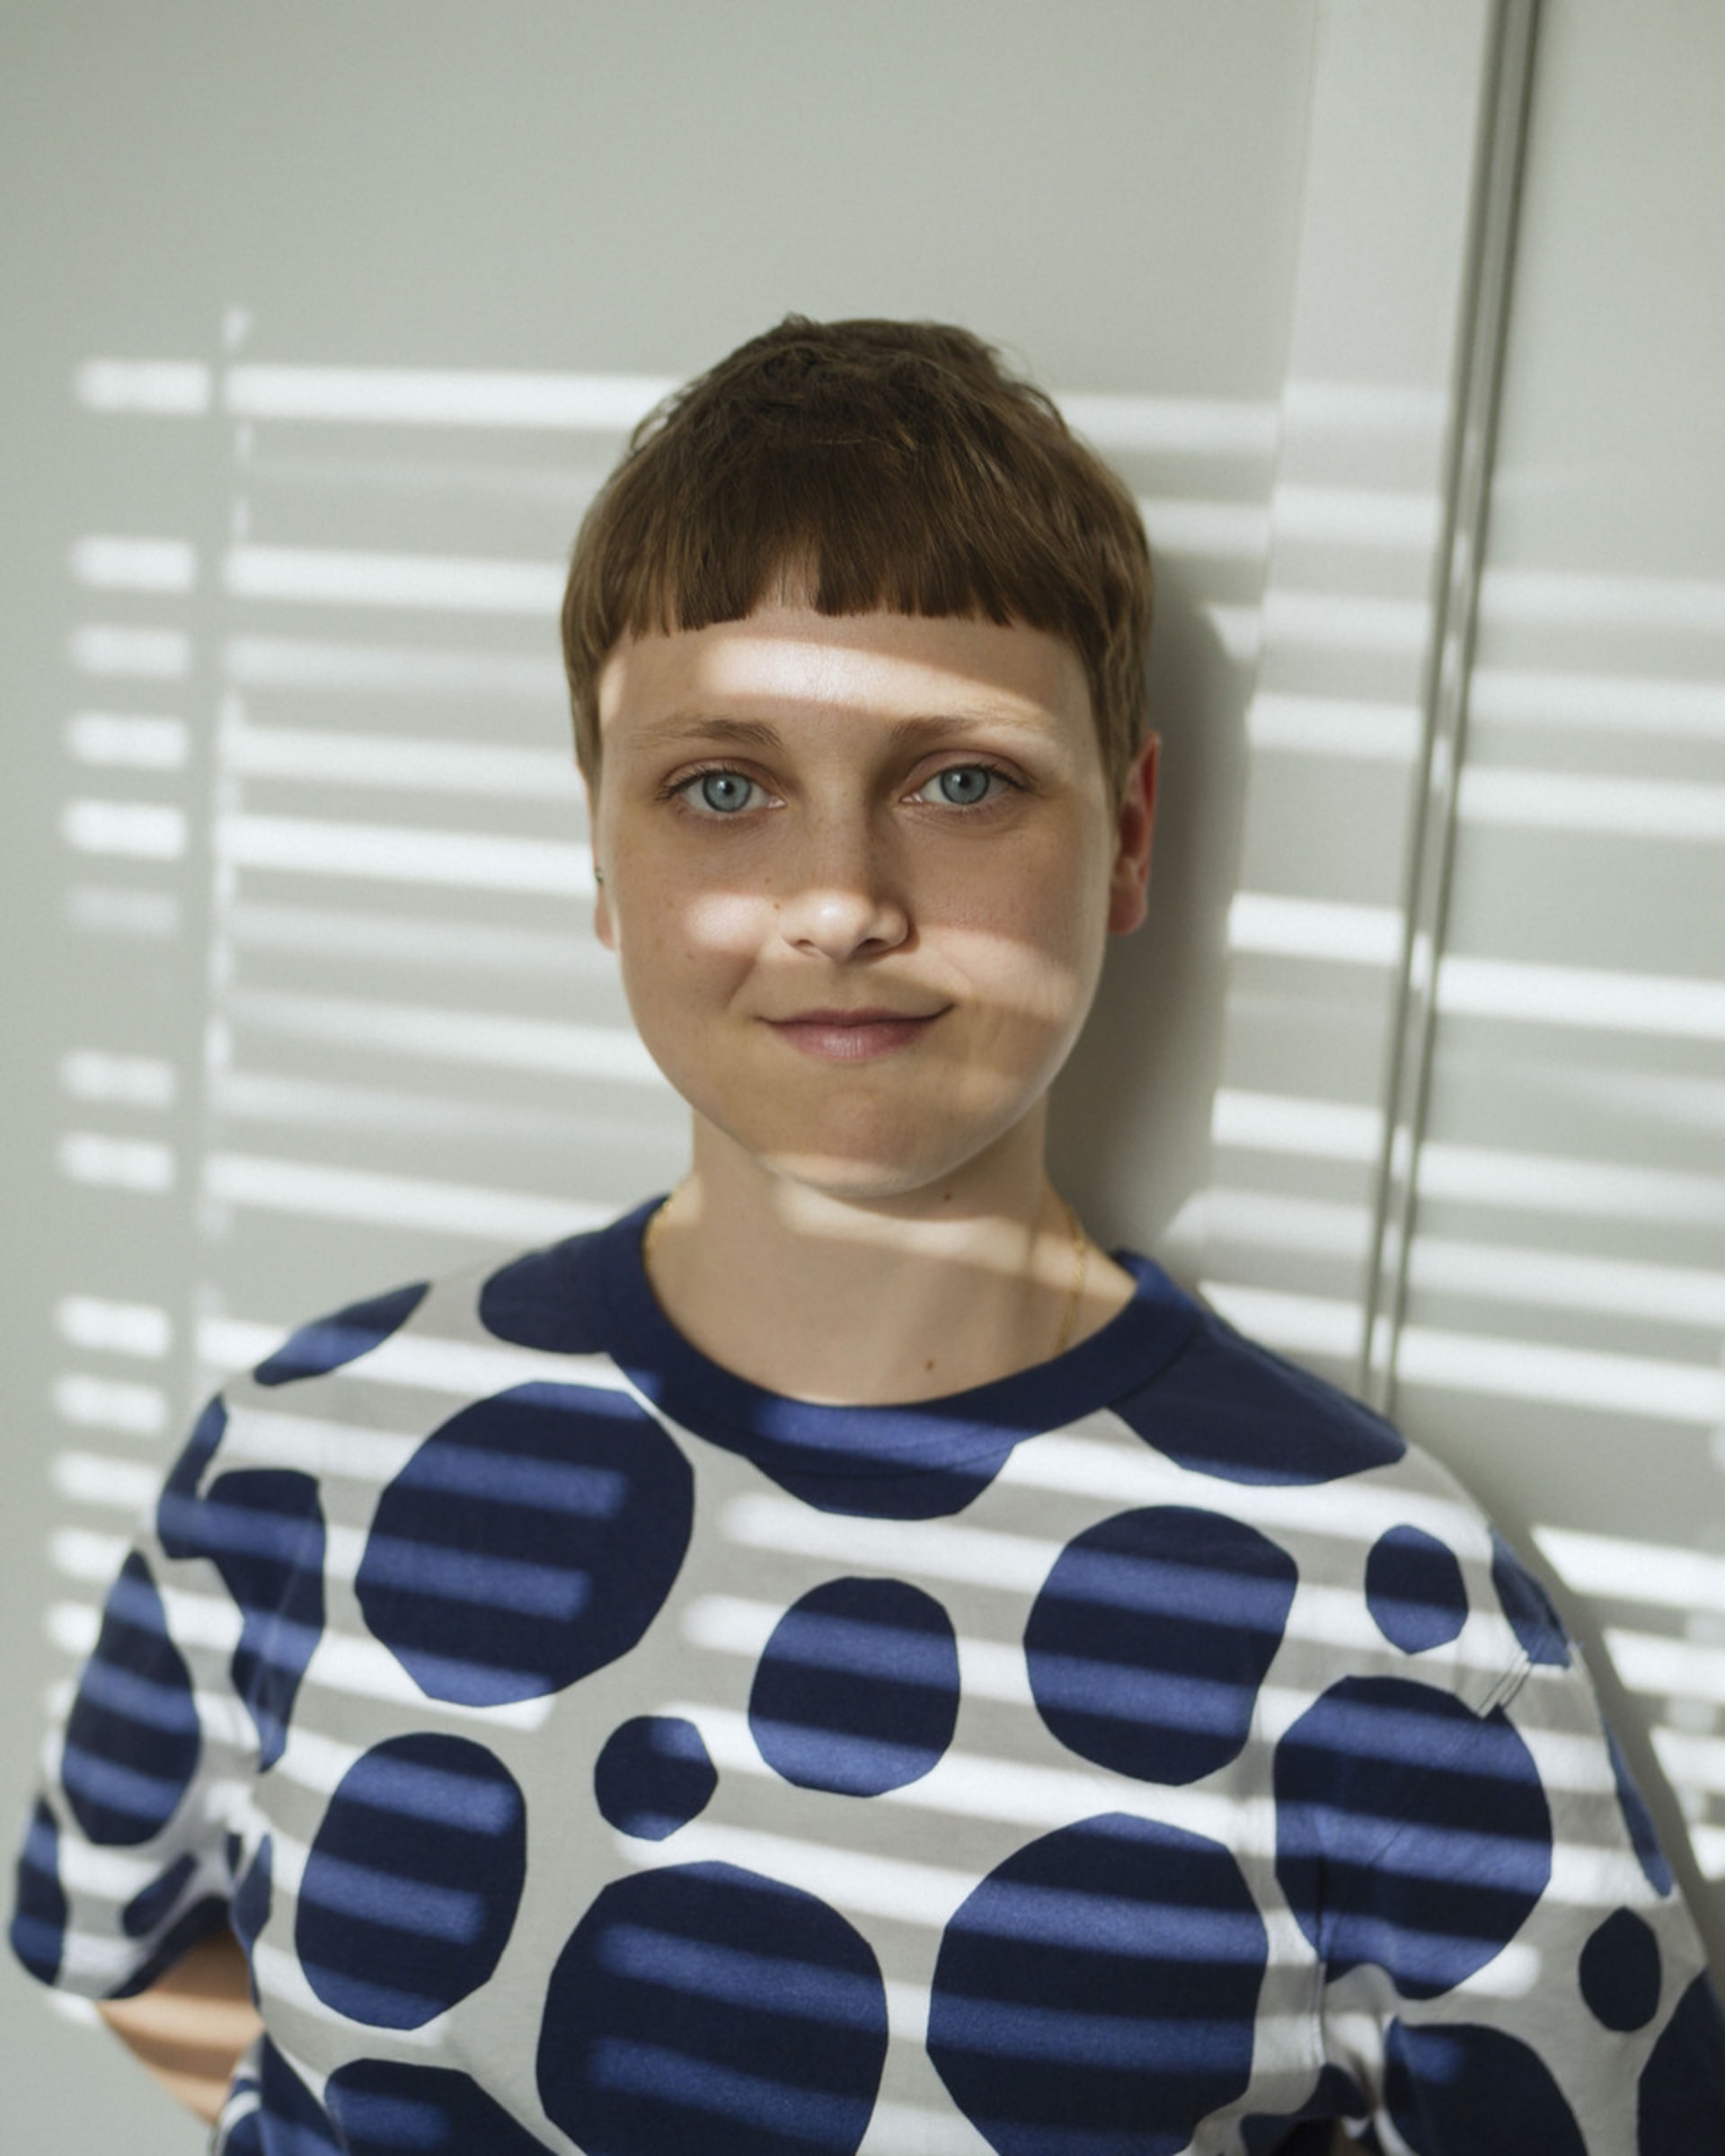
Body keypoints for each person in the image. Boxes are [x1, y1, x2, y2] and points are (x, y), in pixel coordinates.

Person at [10, 315, 1725, 2156]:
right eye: (722, 788)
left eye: (961, 780)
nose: (839, 900)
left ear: (1127, 832)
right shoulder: (308, 1449)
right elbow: (120, 1934)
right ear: (604, 853)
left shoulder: (1387, 1614)